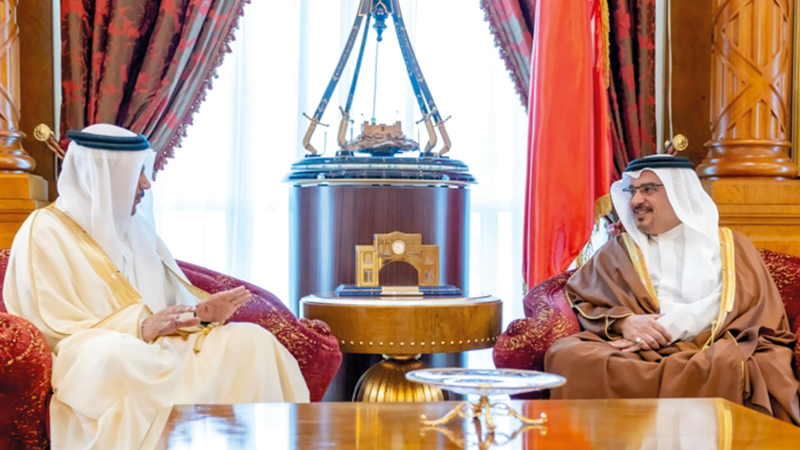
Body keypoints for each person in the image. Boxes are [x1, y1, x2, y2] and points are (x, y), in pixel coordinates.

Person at [3, 124, 309, 448]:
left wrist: (200, 314)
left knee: (250, 342)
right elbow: (50, 324)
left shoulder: (137, 229)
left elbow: (168, 308)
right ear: (102, 174)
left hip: (158, 347)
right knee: (117, 355)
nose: (146, 184)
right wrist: (139, 327)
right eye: (135, 172)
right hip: (90, 355)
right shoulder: (44, 230)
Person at [544, 155, 800, 425]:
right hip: (635, 353)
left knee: (767, 365)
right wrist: (625, 323)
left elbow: (754, 308)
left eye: (648, 190)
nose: (635, 201)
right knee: (567, 355)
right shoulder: (618, 250)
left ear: (680, 192)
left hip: (715, 344)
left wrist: (663, 329)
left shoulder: (731, 246)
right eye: (632, 191)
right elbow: (584, 299)